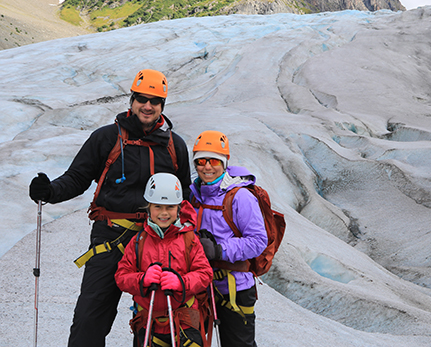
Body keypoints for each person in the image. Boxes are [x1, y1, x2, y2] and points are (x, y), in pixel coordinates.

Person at [28, 69, 191, 347]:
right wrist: (51, 191)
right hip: (111, 238)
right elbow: (77, 177)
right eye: (142, 98)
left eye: (154, 100)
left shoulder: (175, 146)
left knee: (161, 322)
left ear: (163, 105)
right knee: (89, 321)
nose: (147, 106)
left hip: (158, 240)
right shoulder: (106, 138)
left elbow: (185, 194)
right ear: (132, 100)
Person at [189, 130, 268, 347]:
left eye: (214, 160)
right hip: (200, 286)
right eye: (201, 160)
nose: (207, 166)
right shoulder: (194, 194)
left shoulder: (240, 196)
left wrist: (218, 250)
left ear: (225, 162)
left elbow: (258, 241)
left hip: (235, 288)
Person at [115, 173, 213, 346]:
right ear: (148, 208)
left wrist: (181, 282)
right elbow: (122, 276)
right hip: (149, 322)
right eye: (158, 207)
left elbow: (205, 273)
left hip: (184, 321)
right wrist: (143, 279)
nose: (164, 213)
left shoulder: (189, 239)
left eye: (170, 207)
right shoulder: (139, 241)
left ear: (178, 209)